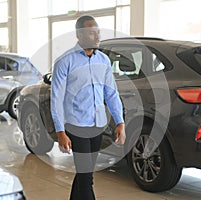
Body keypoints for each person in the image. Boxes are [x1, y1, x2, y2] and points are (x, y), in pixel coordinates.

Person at [50, 15, 126, 200]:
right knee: (87, 177)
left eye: (98, 32)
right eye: (92, 33)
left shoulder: (103, 61)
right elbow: (56, 98)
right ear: (79, 35)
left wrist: (120, 122)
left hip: (97, 124)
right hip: (76, 125)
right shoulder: (65, 61)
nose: (97, 36)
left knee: (85, 173)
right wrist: (60, 131)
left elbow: (111, 93)